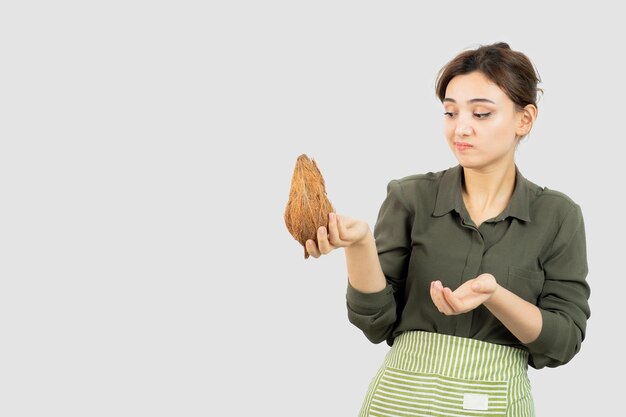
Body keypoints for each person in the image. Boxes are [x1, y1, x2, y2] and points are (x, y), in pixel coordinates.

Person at [305, 42, 591, 417]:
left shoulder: (558, 216)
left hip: (496, 402)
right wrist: (359, 245)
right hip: (399, 401)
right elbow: (375, 322)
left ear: (525, 119)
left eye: (482, 113)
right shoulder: (410, 197)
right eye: (450, 112)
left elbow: (563, 340)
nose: (461, 128)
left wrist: (494, 295)